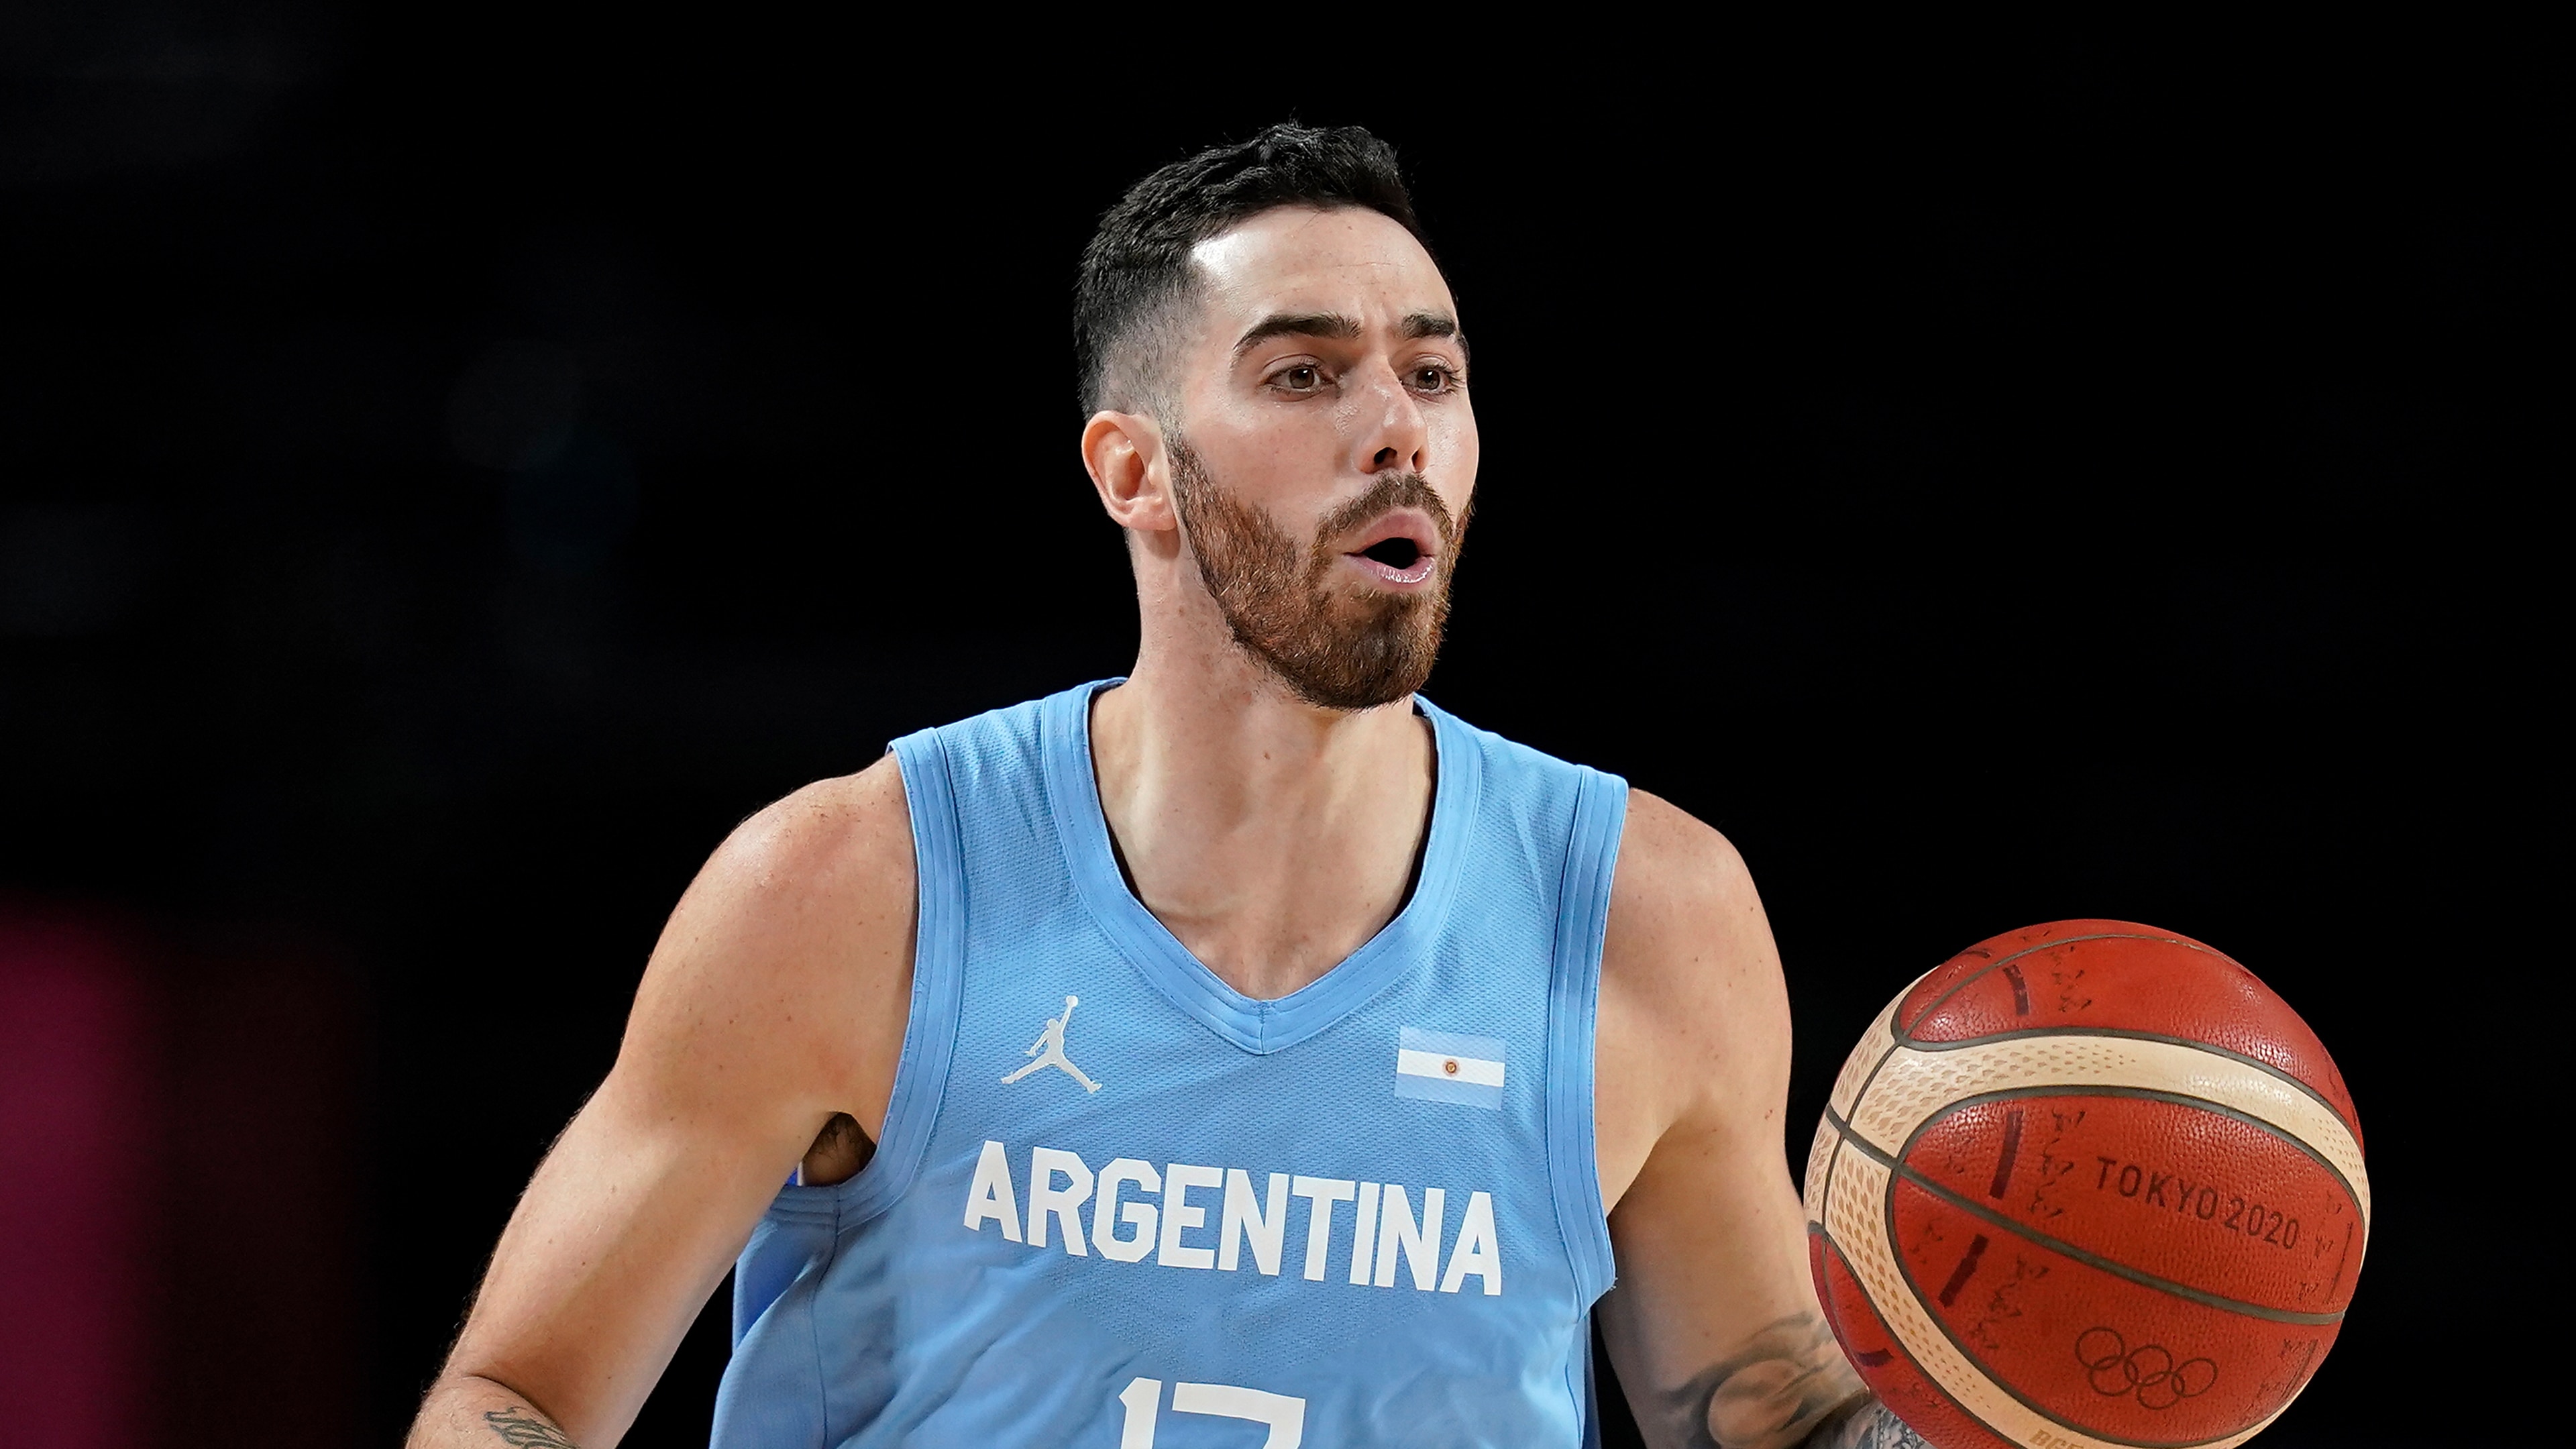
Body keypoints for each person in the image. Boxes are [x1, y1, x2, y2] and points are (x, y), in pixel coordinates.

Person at [407, 123, 1929, 1449]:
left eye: (1434, 371)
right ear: (1134, 471)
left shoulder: (1647, 915)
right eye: (1305, 372)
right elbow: (513, 1396)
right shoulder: (852, 892)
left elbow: (1771, 1415)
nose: (1396, 424)